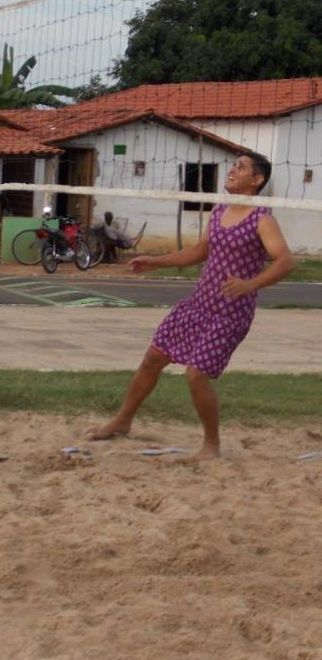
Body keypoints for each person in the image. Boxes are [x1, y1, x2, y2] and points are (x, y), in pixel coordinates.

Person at [89, 153, 295, 458]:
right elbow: (199, 251)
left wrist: (249, 285)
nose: (232, 170)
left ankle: (211, 443)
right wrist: (156, 261)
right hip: (198, 304)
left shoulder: (263, 219)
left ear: (257, 180)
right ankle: (122, 421)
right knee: (152, 359)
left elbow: (286, 262)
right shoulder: (219, 210)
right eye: (233, 164)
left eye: (241, 167)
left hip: (230, 313)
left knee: (196, 374)